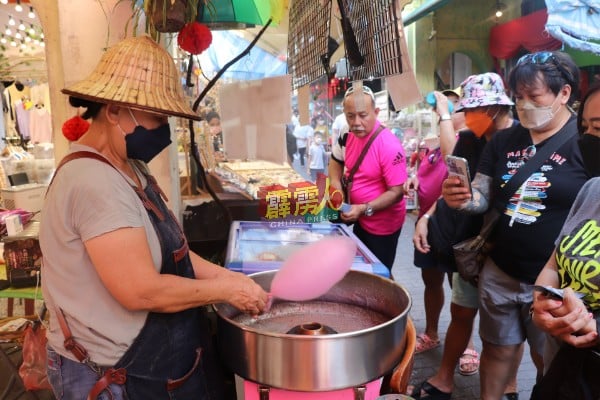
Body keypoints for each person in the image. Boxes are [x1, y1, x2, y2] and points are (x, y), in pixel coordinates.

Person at [39, 36, 268, 400]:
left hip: (149, 364)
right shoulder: (93, 181)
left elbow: (175, 255)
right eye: (157, 118)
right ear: (114, 110)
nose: (165, 129)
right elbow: (140, 289)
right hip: (110, 374)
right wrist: (226, 290)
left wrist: (233, 279)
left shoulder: (134, 168)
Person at [442, 51, 589, 399]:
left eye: (534, 97)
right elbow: (482, 194)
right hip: (501, 272)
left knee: (548, 360)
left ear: (564, 94)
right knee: (496, 350)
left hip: (556, 284)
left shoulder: (584, 142)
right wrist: (462, 198)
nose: (524, 106)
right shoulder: (506, 140)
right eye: (519, 97)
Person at [410, 72, 521, 399]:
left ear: (495, 109)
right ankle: (445, 376)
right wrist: (426, 216)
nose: (468, 116)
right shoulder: (472, 138)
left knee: (503, 327)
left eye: (474, 110)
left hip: (507, 247)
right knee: (461, 311)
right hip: (470, 245)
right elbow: (453, 183)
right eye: (466, 110)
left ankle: (510, 384)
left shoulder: (521, 140)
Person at [531, 82, 600, 396]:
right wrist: (542, 302)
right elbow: (554, 262)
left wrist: (593, 327)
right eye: (584, 127)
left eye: (598, 126)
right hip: (564, 367)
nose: (589, 138)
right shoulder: (591, 189)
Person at [329, 84, 407, 272]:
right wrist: (336, 187)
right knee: (362, 268)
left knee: (379, 273)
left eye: (363, 115)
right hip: (358, 217)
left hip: (382, 226)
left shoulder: (389, 145)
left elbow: (396, 192)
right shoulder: (347, 133)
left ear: (376, 112)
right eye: (350, 116)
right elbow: (335, 162)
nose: (356, 122)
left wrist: (364, 208)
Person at [405, 130, 450, 355]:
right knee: (431, 281)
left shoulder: (466, 143)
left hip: (452, 227)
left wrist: (426, 217)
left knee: (461, 291)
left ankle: (467, 346)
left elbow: (455, 188)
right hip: (426, 226)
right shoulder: (431, 147)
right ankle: (431, 334)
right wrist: (414, 179)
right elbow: (423, 176)